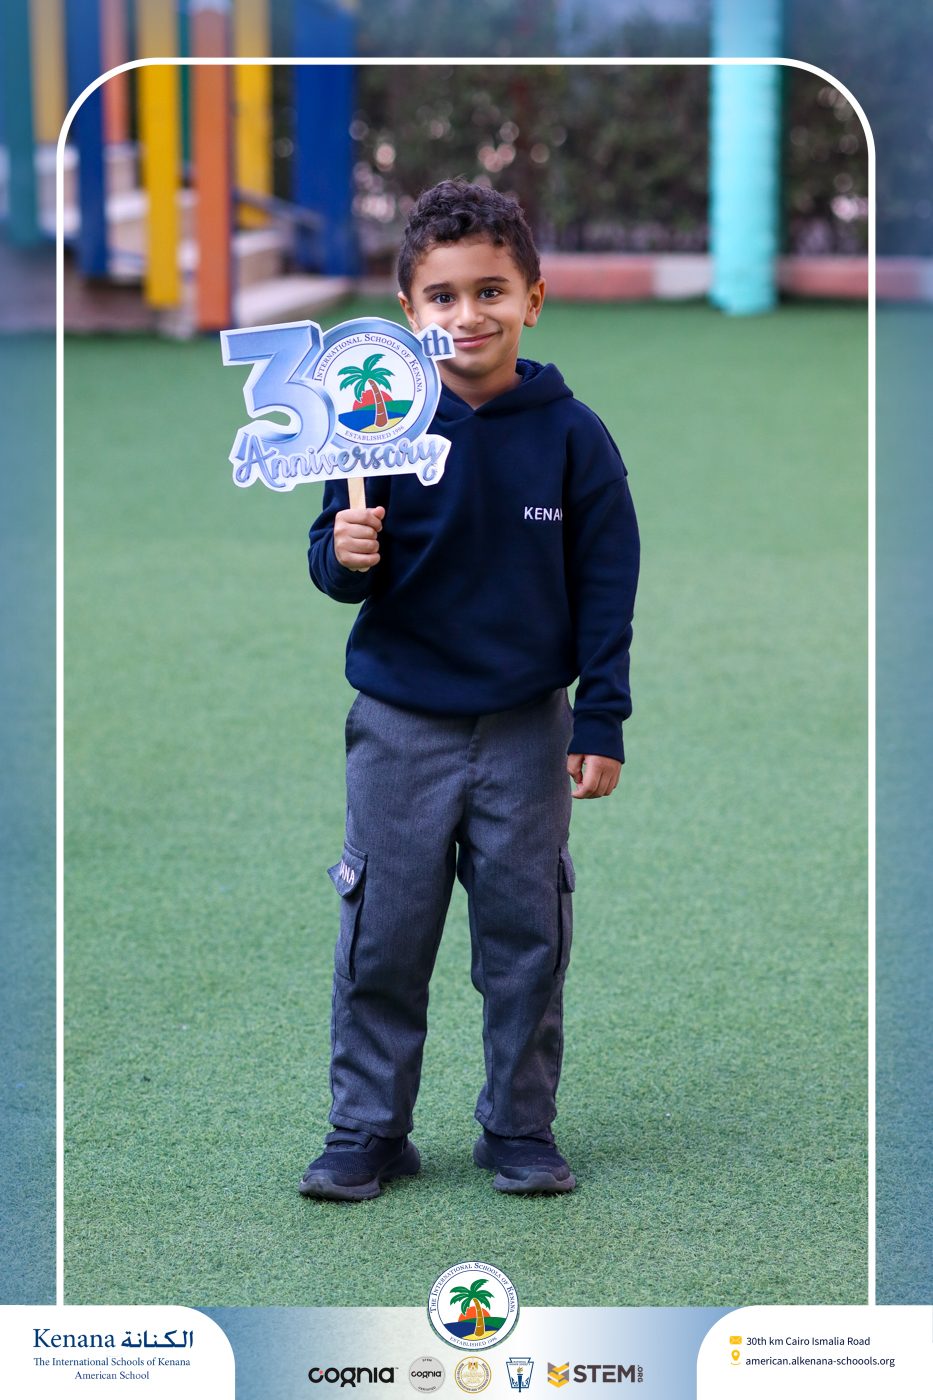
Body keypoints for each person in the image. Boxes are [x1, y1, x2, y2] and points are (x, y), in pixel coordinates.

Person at [300, 179, 640, 1202]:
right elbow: (332, 563)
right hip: (398, 726)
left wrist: (602, 713)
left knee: (527, 938)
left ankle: (519, 1127)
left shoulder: (574, 436)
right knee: (382, 936)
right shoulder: (372, 429)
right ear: (409, 312)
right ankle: (368, 1129)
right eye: (442, 297)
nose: (467, 315)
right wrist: (344, 552)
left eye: (490, 291)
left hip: (527, 730)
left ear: (533, 298)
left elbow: (607, 582)